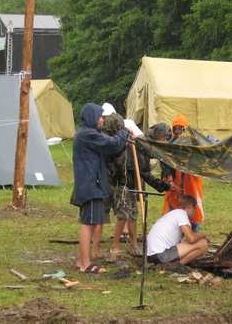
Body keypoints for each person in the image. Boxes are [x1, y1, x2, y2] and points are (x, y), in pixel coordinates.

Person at [72, 103, 130, 274]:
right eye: (99, 117)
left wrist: (121, 141)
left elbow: (110, 149)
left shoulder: (88, 134)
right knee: (88, 224)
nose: (102, 120)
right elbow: (112, 144)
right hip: (90, 186)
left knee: (92, 222)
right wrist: (124, 132)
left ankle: (81, 260)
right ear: (91, 117)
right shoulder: (87, 134)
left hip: (92, 184)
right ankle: (85, 263)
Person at [103, 115, 171, 261]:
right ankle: (115, 246)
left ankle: (133, 245)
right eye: (165, 138)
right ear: (159, 135)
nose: (165, 141)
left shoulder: (146, 144)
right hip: (123, 182)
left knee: (133, 215)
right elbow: (144, 172)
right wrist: (162, 186)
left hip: (132, 183)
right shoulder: (141, 144)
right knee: (123, 216)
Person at [162, 114, 205, 231]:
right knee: (174, 210)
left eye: (180, 129)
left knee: (192, 209)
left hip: (191, 184)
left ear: (185, 129)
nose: (178, 132)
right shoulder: (169, 145)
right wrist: (169, 178)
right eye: (175, 129)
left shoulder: (193, 144)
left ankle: (194, 232)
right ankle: (174, 233)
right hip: (175, 184)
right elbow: (165, 162)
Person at [147, 194, 209, 265]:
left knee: (194, 242)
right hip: (161, 255)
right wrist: (203, 235)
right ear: (190, 207)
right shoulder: (182, 214)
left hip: (152, 255)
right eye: (195, 209)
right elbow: (191, 239)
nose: (194, 212)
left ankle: (176, 263)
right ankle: (178, 265)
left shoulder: (174, 214)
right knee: (203, 243)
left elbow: (185, 240)